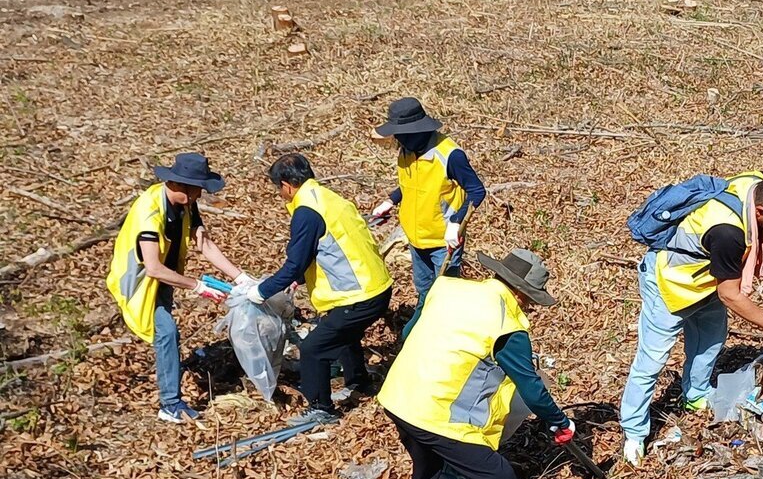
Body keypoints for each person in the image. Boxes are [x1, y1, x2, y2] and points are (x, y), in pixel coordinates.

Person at [377, 249, 586, 479]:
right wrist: (560, 422)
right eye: (529, 299)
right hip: (439, 413)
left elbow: (406, 334)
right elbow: (531, 387)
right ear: (519, 291)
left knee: (422, 448)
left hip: (398, 395)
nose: (529, 306)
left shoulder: (448, 287)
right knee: (498, 477)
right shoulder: (506, 322)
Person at [619, 171, 763, 466]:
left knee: (710, 341)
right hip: (671, 283)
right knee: (651, 361)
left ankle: (696, 394)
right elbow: (731, 295)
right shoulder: (727, 231)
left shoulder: (761, 183)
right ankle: (634, 431)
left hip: (706, 281)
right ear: (761, 213)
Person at [236, 154, 393, 426]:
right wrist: (302, 279)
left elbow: (294, 264)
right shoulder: (329, 198)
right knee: (343, 333)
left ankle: (321, 408)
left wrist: (261, 291)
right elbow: (327, 249)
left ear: (286, 185)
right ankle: (359, 383)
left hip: (358, 295)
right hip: (376, 286)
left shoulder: (306, 212)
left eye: (279, 189)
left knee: (314, 348)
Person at [106, 153, 251, 423]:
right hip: (139, 284)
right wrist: (196, 286)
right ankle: (170, 403)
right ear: (181, 186)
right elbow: (152, 267)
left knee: (166, 335)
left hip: (164, 279)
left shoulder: (186, 204)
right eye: (198, 189)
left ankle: (169, 374)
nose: (201, 194)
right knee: (167, 332)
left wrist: (241, 278)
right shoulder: (149, 211)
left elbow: (204, 244)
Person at [369, 97, 487, 297]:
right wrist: (390, 200)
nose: (397, 139)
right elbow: (411, 184)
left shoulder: (450, 155)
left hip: (443, 241)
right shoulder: (406, 151)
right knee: (424, 291)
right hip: (416, 238)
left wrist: (456, 223)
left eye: (400, 134)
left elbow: (477, 191)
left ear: (416, 130)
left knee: (446, 295)